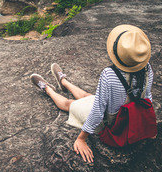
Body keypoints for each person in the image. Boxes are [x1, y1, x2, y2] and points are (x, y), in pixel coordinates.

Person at [30, 24, 154, 163]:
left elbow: (97, 111)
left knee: (70, 104)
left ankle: (47, 89)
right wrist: (147, 125)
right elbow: (147, 98)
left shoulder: (110, 74)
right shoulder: (146, 68)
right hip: (130, 117)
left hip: (111, 126)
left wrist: (81, 138)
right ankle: (63, 82)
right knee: (87, 96)